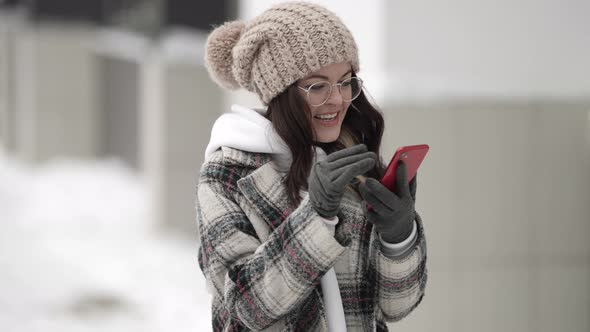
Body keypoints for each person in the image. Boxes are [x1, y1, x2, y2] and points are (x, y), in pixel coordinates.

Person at [196, 2, 427, 331]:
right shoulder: (228, 175)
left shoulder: (352, 161)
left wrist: (399, 237)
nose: (337, 99)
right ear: (280, 93)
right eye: (318, 86)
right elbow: (244, 308)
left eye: (346, 81)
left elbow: (396, 306)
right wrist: (315, 218)